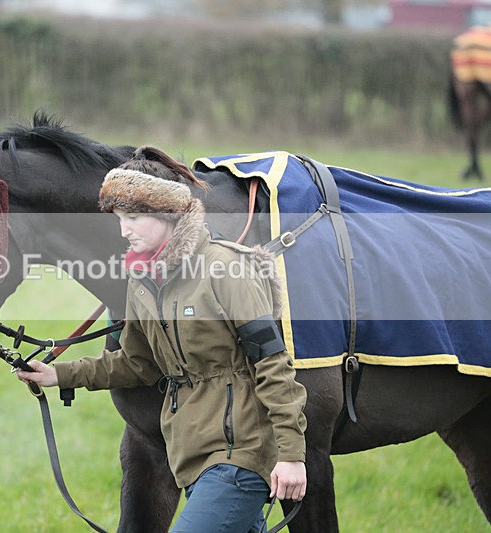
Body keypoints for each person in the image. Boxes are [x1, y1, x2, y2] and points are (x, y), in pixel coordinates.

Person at [17, 146, 307, 532]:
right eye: (120, 218)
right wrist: (59, 375)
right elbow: (137, 362)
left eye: (134, 216)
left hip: (240, 456)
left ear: (168, 212)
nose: (124, 230)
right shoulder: (142, 281)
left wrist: (291, 456)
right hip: (190, 458)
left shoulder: (226, 269)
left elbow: (272, 363)